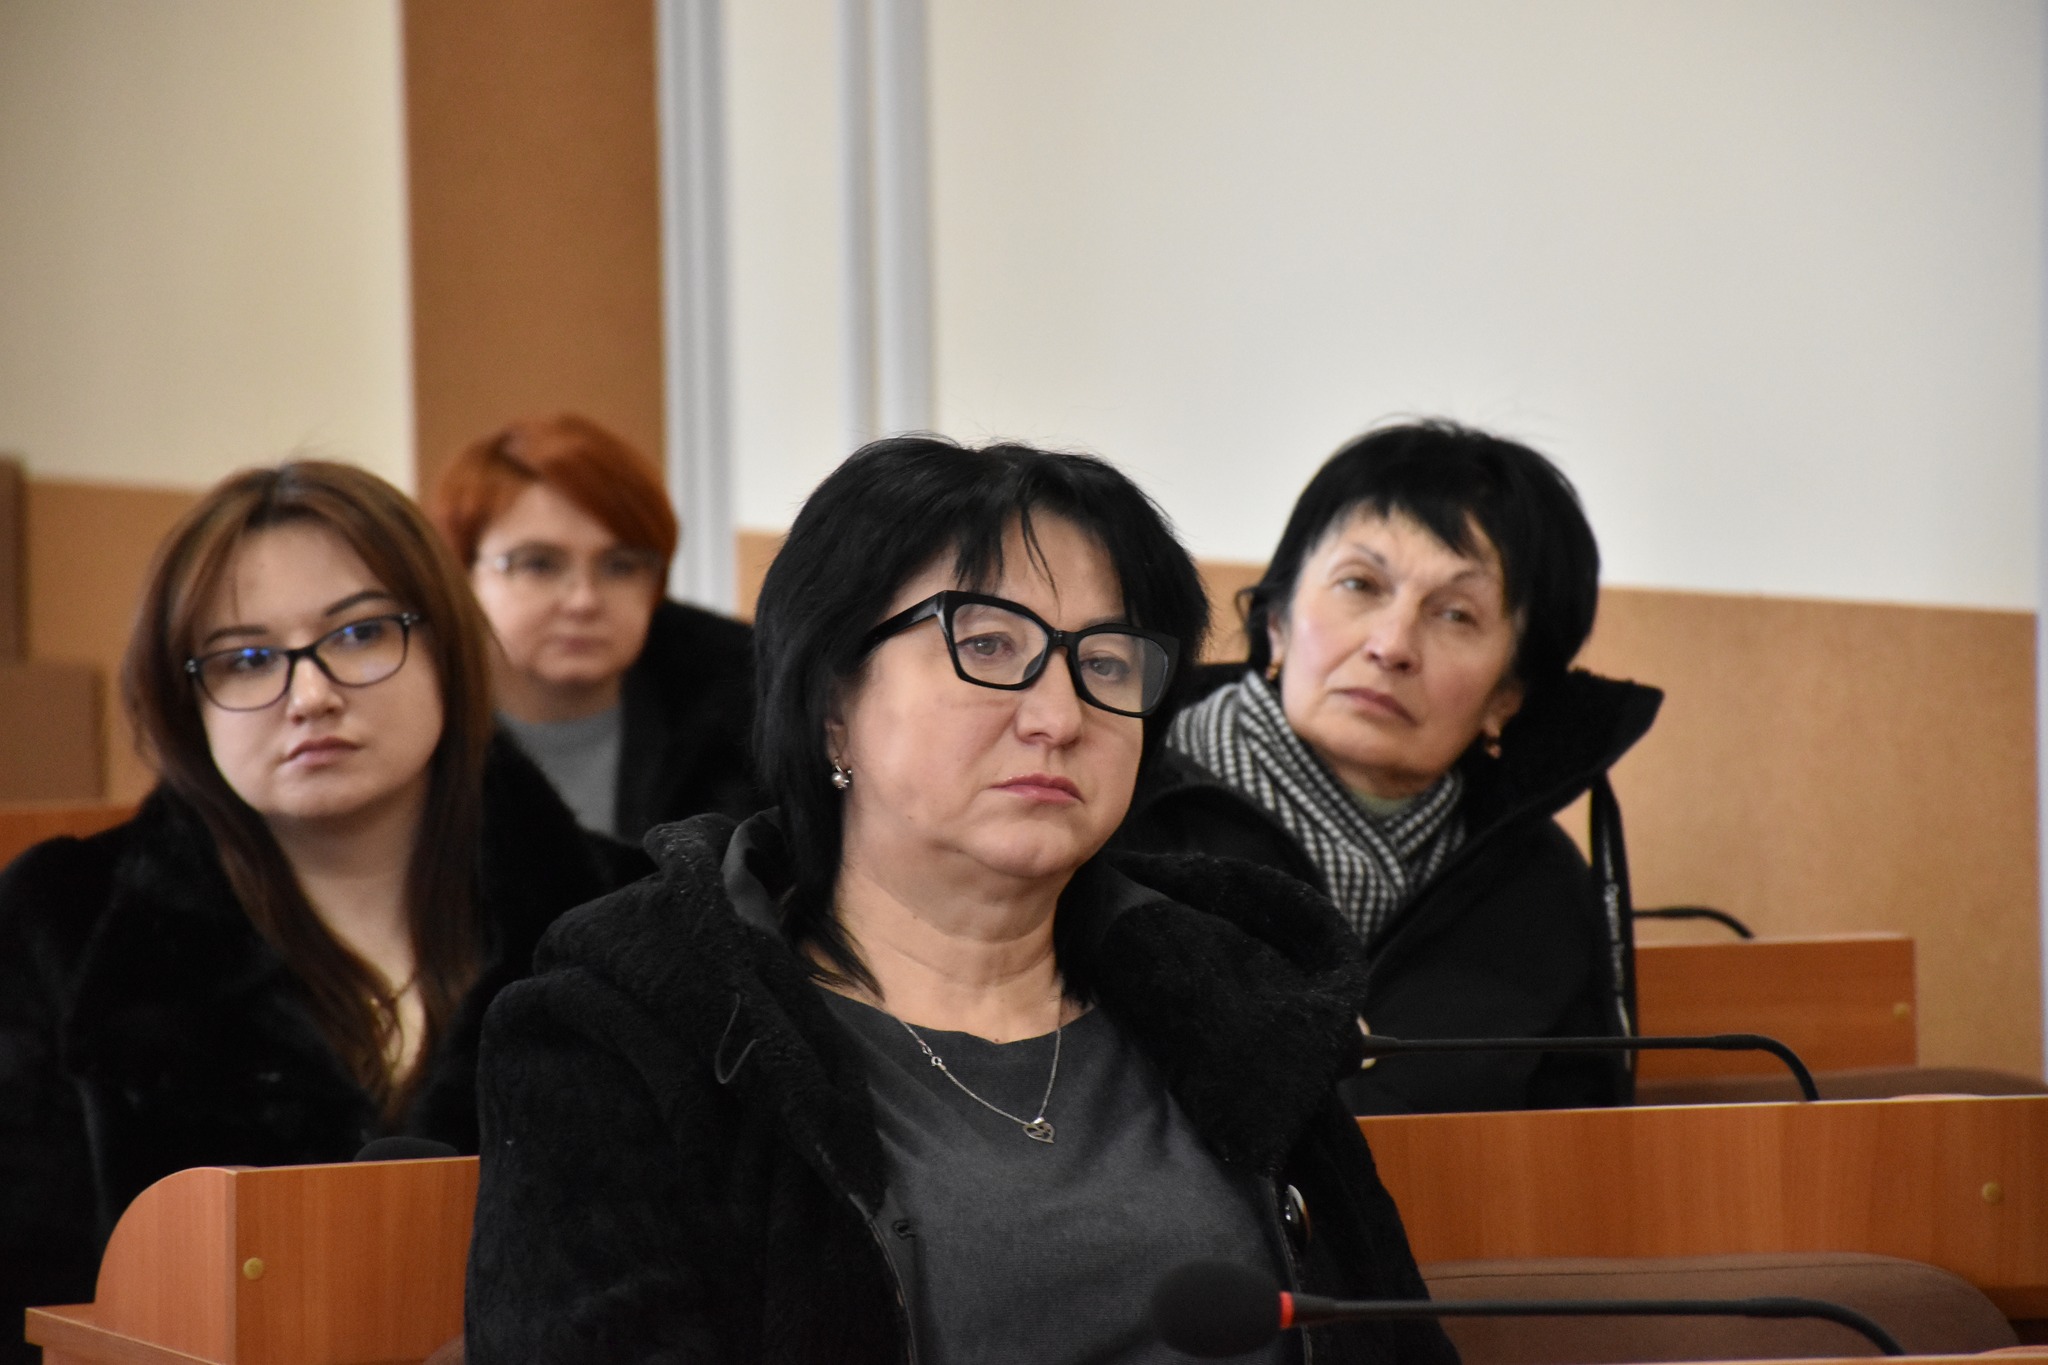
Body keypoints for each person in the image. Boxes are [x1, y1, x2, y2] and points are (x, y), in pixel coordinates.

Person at [464, 437, 1456, 1365]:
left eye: (1105, 663)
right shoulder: (627, 1027)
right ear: (832, 703)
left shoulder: (1237, 997)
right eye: (986, 645)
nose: (1059, 715)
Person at [0, 462, 633, 1362]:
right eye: (246, 658)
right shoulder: (62, 921)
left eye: (362, 632)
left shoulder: (625, 914)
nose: (311, 695)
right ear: (185, 699)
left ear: (446, 647)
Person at [1120, 420, 1663, 1114]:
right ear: (1276, 620)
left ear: (1507, 695)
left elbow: (1580, 1143)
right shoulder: (1125, 807)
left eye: (1456, 615)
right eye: (1360, 583)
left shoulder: (1539, 890)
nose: (1392, 644)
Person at [431, 414, 759, 841]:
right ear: (463, 575)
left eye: (620, 566)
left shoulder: (745, 698)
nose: (584, 600)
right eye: (538, 564)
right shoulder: (416, 708)